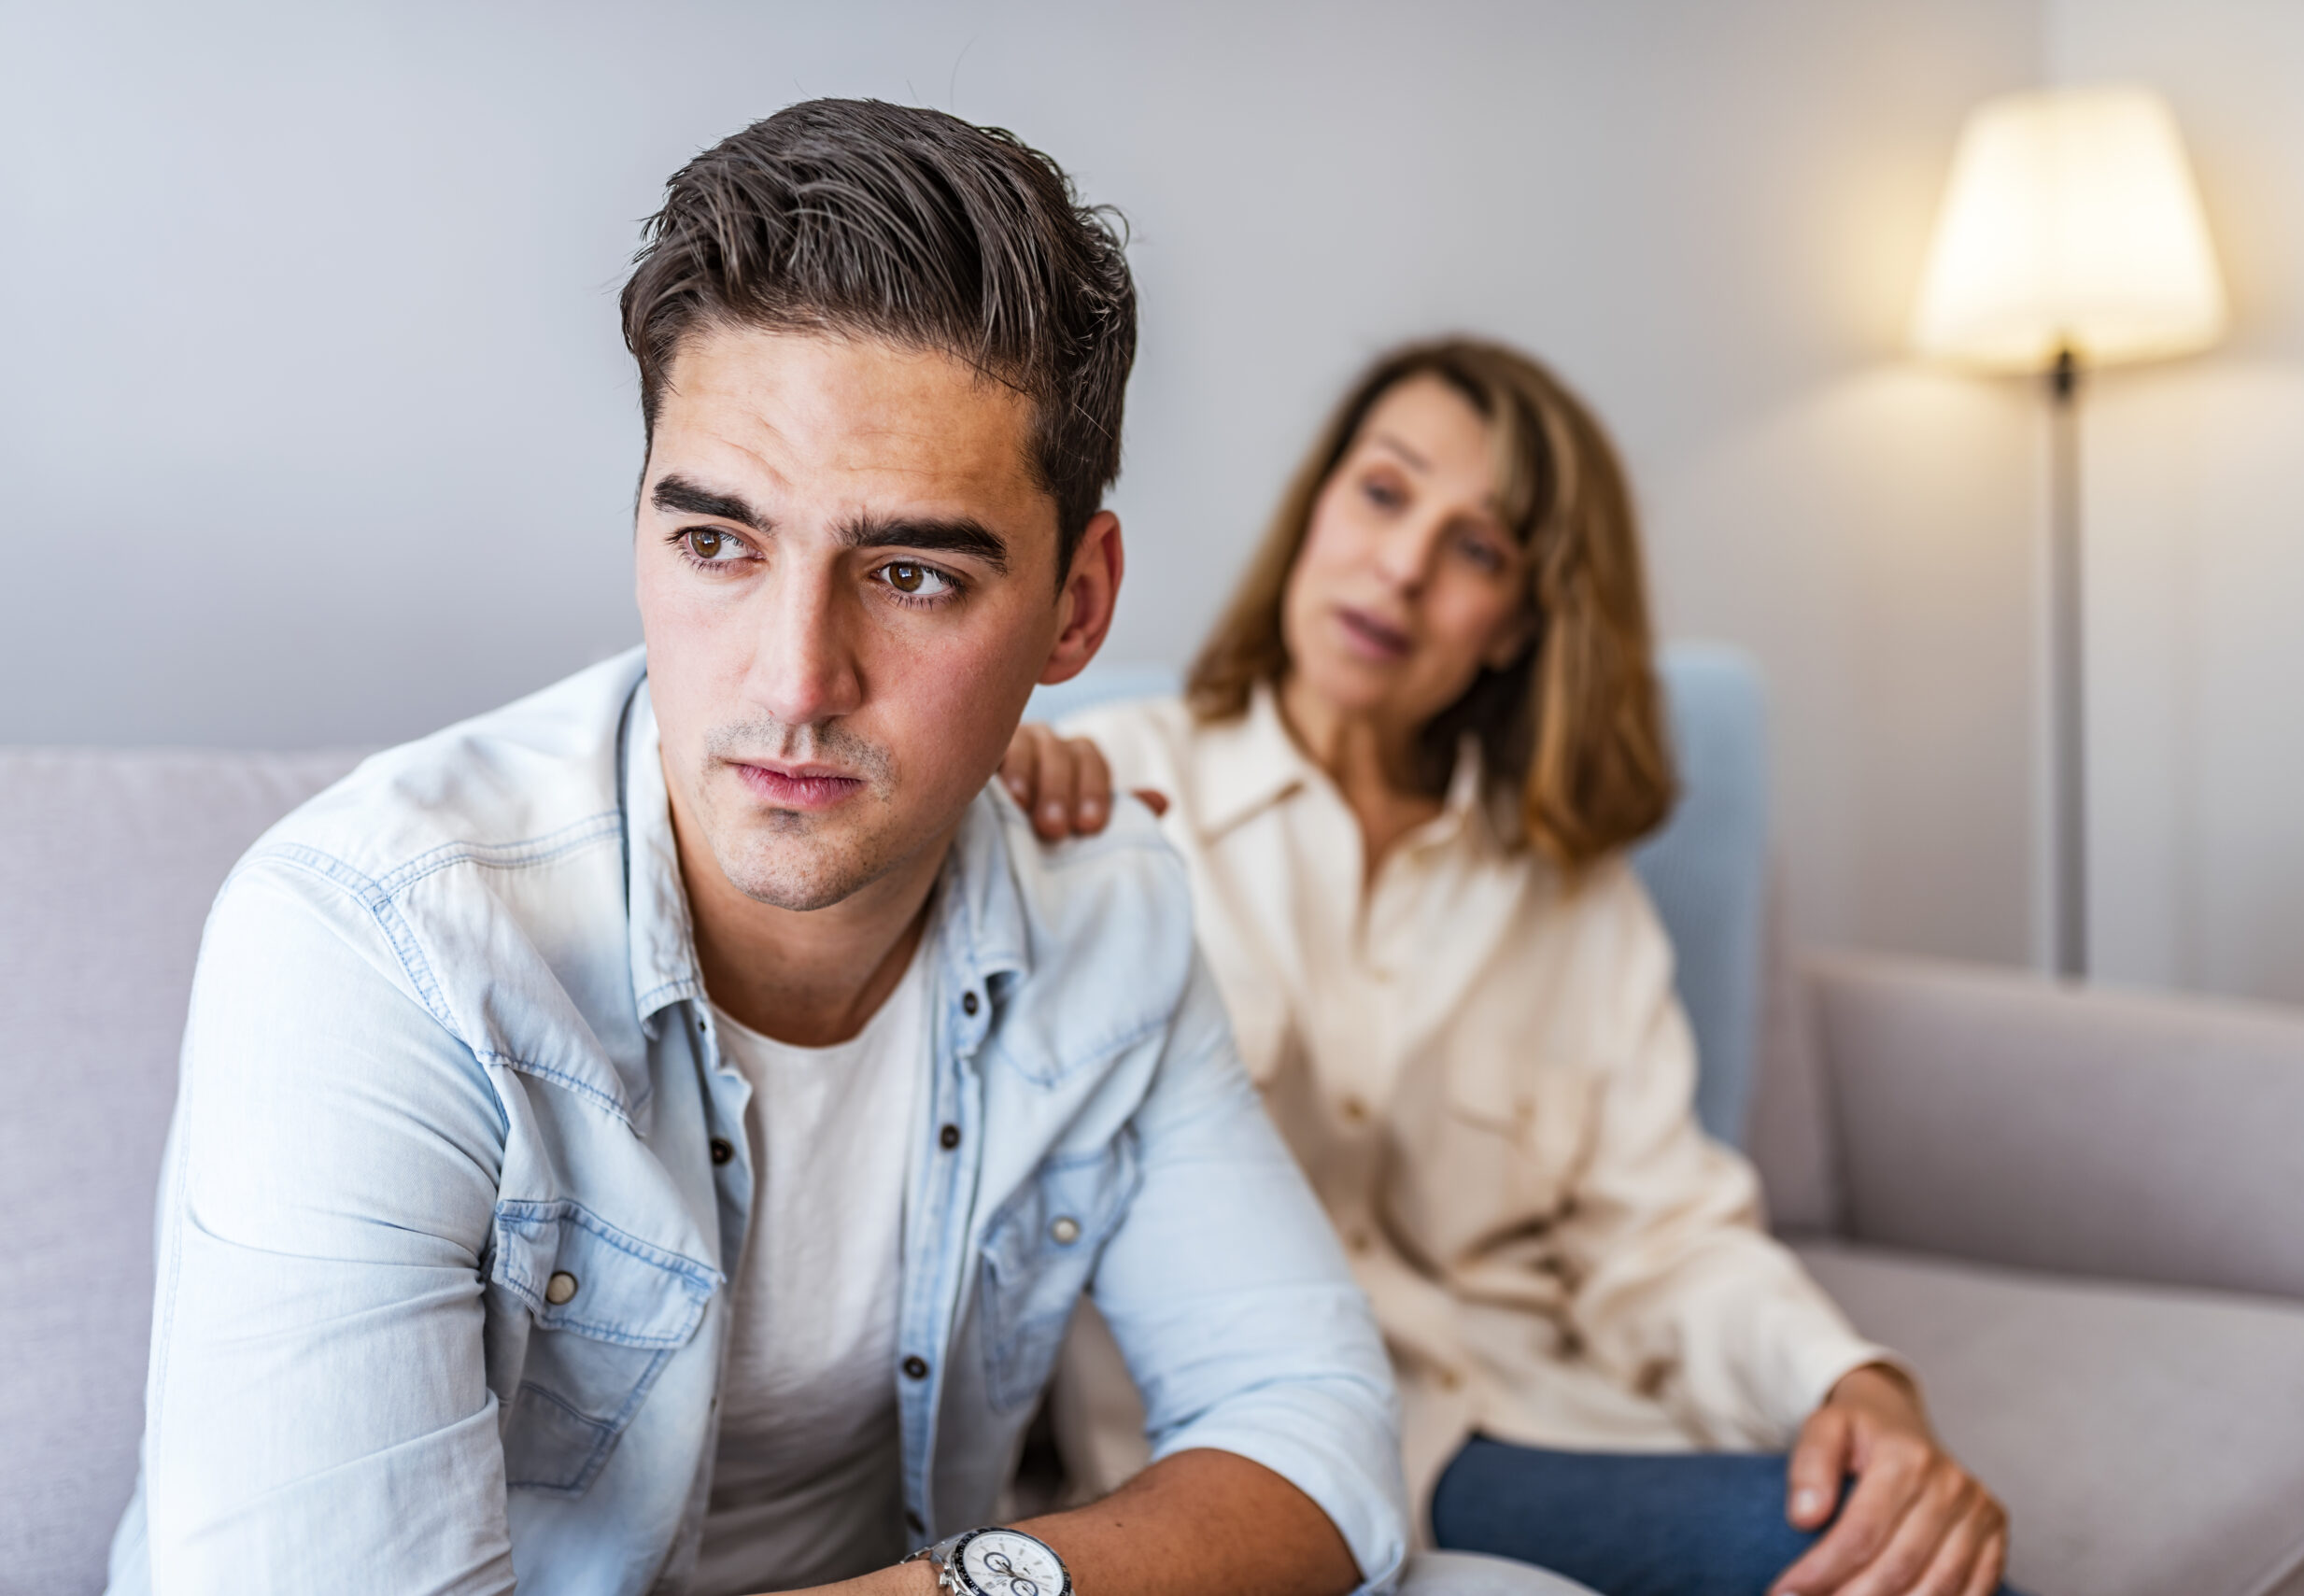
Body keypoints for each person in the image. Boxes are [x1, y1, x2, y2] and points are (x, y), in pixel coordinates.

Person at [104, 102, 1573, 1596]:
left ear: (1077, 606)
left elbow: (1317, 1431)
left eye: (914, 572)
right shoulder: (378, 939)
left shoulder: (1103, 915)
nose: (793, 682)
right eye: (718, 544)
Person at [1004, 339, 2017, 1596]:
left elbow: (1664, 1235)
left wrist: (1850, 1378)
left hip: (1550, 1422)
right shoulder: (1089, 798)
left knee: (1919, 1557)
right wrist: (992, 818)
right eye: (1384, 492)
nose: (1404, 566)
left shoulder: (1566, 882)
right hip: (1258, 1470)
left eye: (1477, 548)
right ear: (1317, 504)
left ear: (1520, 623)